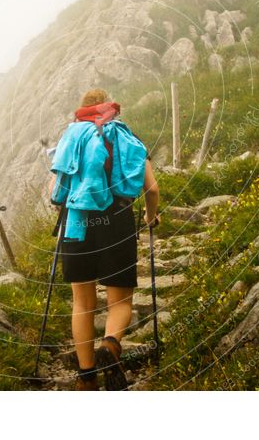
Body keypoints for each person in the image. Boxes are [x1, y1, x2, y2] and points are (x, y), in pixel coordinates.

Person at [48, 88, 160, 391]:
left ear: (82, 110)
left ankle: (86, 377)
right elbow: (151, 189)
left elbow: (55, 193)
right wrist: (151, 217)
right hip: (118, 222)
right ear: (109, 107)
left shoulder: (71, 138)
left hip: (77, 225)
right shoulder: (124, 135)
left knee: (82, 304)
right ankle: (110, 346)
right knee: (119, 301)